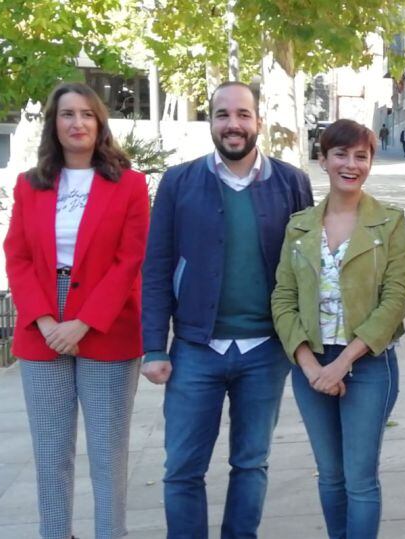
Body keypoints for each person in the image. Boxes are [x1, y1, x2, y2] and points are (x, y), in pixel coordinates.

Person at [140, 81, 314, 538]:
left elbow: (307, 267)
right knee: (181, 468)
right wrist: (154, 347)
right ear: (211, 121)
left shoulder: (292, 182)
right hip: (196, 349)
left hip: (265, 351)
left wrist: (308, 345)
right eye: (222, 115)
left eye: (242, 114)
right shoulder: (179, 181)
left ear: (258, 120)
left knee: (251, 463)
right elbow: (156, 267)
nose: (233, 124)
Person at [4, 82, 149, 539]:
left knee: (108, 452)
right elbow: (18, 255)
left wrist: (83, 322)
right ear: (54, 123)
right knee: (51, 451)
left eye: (87, 114)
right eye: (67, 114)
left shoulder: (129, 185)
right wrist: (47, 320)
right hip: (42, 324)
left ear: (100, 122)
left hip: (107, 324)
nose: (77, 123)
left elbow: (131, 259)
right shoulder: (31, 185)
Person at [272, 119, 405, 538]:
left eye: (361, 156)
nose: (350, 164)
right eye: (341, 154)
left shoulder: (389, 223)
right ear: (323, 160)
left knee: (360, 477)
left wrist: (343, 363)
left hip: (368, 365)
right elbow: (282, 298)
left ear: (370, 163)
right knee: (330, 475)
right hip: (311, 364)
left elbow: (395, 299)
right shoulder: (299, 226)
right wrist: (311, 365)